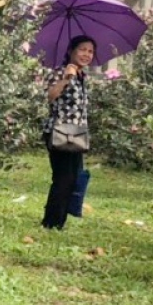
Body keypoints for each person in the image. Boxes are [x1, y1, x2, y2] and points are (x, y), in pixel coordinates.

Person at [41, 36, 94, 230]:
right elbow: (50, 96)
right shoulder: (60, 72)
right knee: (63, 178)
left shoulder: (82, 77)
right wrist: (66, 78)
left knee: (74, 178)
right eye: (82, 49)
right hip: (59, 131)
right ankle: (51, 223)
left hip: (77, 134)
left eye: (90, 51)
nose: (86, 54)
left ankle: (58, 220)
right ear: (71, 50)